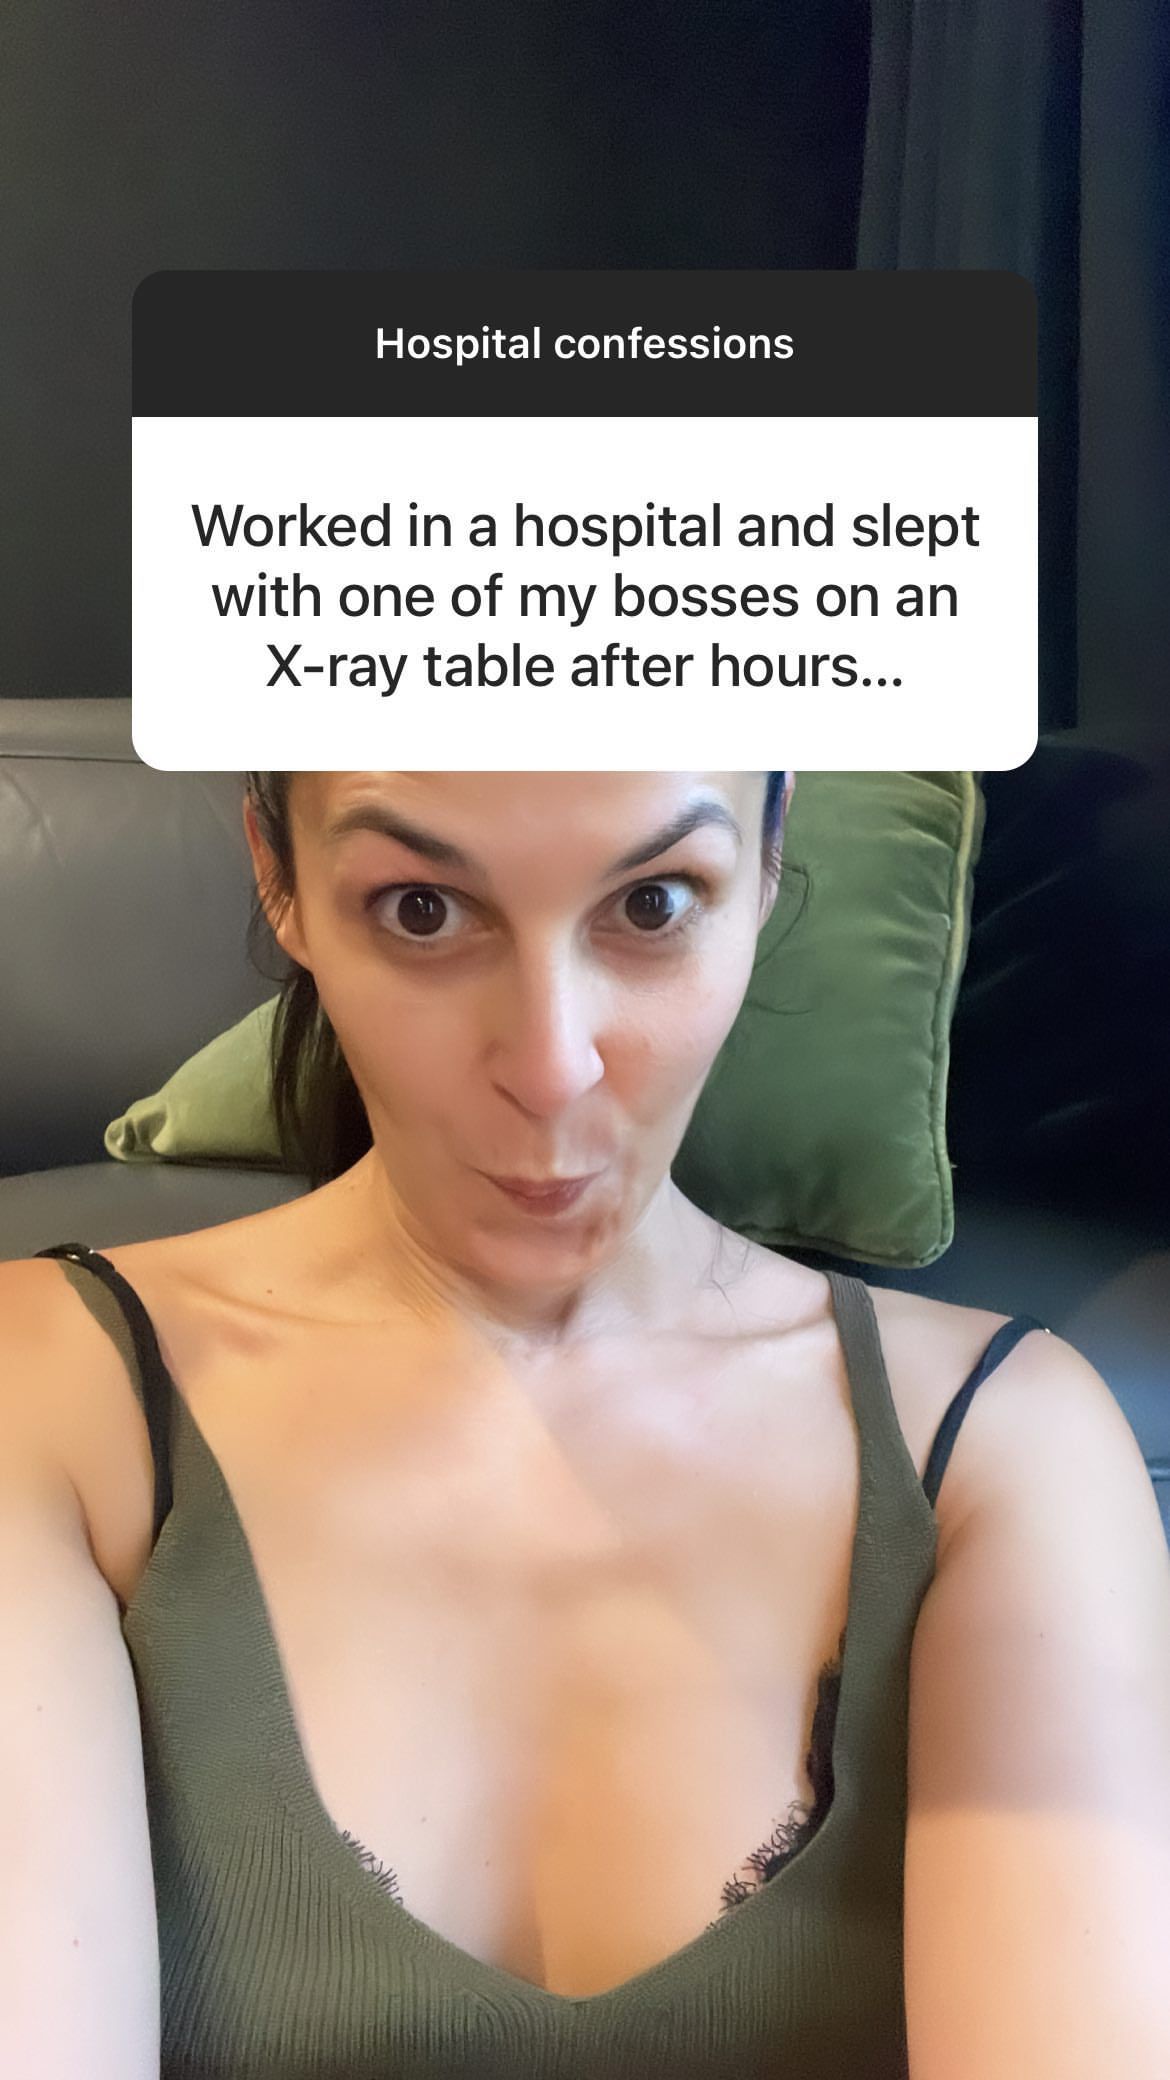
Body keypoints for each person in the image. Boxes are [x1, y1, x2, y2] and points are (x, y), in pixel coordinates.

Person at [2, 769, 1167, 2080]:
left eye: (652, 903)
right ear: (281, 877)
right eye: (423, 909)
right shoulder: (49, 1392)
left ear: (768, 862)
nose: (551, 1067)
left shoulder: (999, 1448)